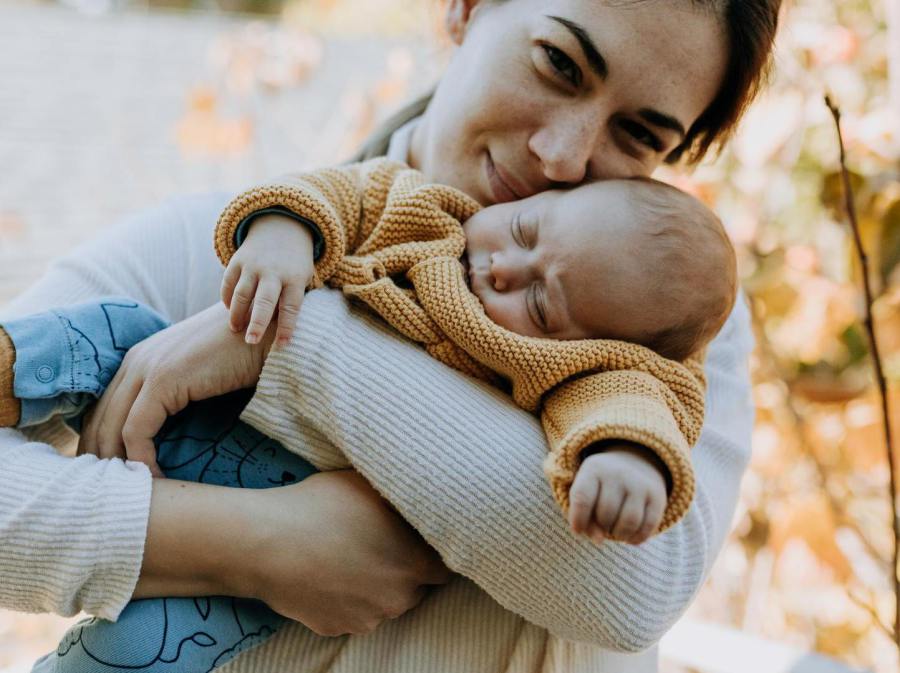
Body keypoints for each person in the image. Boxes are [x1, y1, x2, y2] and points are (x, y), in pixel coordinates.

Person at [0, 1, 780, 671]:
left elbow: (632, 587)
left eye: (638, 135)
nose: (564, 156)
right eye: (558, 63)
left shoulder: (665, 325)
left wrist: (292, 346)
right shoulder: (248, 243)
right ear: (468, 8)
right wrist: (257, 544)